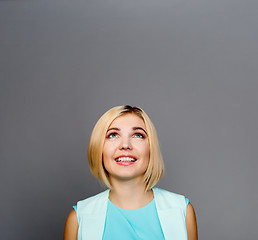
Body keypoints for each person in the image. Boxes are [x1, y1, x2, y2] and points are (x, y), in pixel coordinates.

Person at [64, 105, 198, 240]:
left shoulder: (182, 210)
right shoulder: (79, 218)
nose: (125, 145)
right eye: (113, 135)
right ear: (99, 148)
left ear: (151, 148)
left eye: (138, 135)